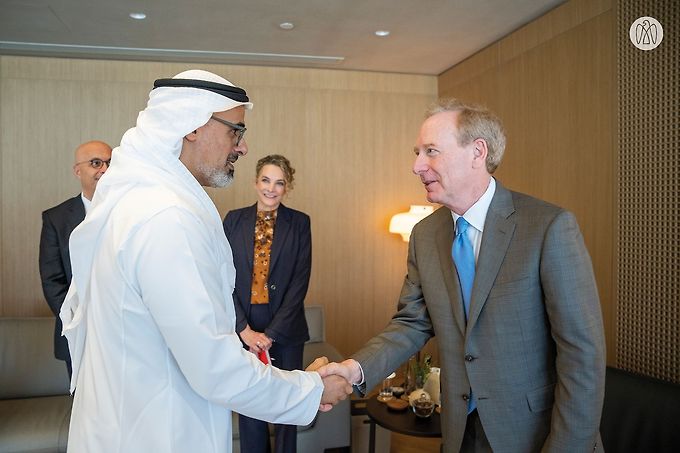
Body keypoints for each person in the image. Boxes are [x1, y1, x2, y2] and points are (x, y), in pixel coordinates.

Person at [59, 69, 351, 453]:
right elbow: (214, 366)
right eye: (236, 131)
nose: (242, 148)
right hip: (156, 434)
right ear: (192, 126)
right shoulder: (165, 218)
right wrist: (311, 389)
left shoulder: (140, 202)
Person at [320, 98, 606, 452]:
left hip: (535, 434)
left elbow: (581, 354)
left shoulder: (548, 227)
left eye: (431, 151)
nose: (416, 165)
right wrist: (353, 369)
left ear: (477, 152)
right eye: (417, 152)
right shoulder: (425, 235)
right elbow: (412, 322)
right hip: (459, 431)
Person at [224, 154, 311, 453]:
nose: (271, 189)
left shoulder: (300, 223)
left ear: (287, 187)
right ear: (255, 181)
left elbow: (299, 284)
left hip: (285, 331)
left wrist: (270, 335)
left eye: (279, 183)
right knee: (251, 406)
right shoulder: (233, 220)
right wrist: (244, 331)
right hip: (244, 325)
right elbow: (222, 279)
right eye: (266, 180)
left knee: (287, 407)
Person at [39, 140, 112, 378]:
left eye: (110, 163)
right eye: (96, 163)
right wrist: (79, 321)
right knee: (85, 409)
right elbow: (52, 280)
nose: (104, 169)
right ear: (77, 170)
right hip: (77, 330)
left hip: (123, 328)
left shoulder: (129, 211)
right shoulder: (56, 218)